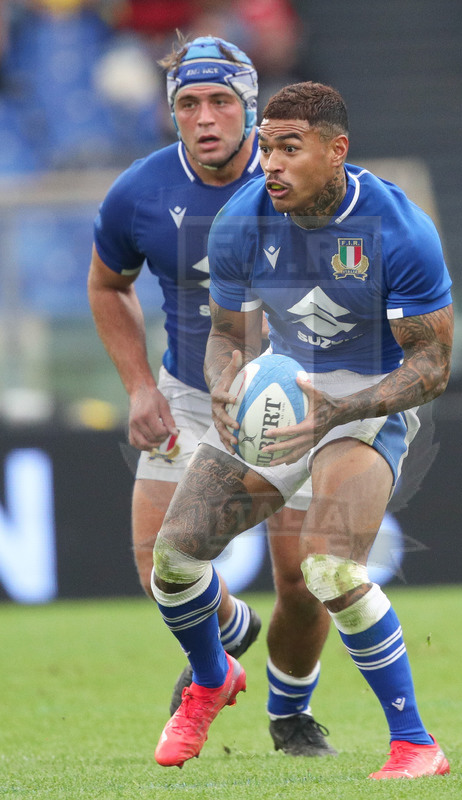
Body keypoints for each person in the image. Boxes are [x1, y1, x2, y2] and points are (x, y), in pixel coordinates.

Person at [151, 81, 454, 779]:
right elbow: (228, 335)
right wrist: (224, 380)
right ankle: (212, 679)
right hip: (282, 387)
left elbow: (432, 365)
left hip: (368, 399)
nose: (272, 164)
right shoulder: (241, 220)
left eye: (290, 148)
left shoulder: (398, 229)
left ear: (336, 150)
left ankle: (415, 745)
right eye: (266, 148)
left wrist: (343, 412)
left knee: (327, 569)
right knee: (175, 557)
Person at [87, 36, 335, 757]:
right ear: (171, 112)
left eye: (221, 101)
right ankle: (227, 638)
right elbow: (108, 284)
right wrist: (139, 386)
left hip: (296, 395)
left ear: (251, 108)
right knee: (157, 566)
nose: (205, 118)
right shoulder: (139, 191)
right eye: (189, 103)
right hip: (193, 393)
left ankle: (291, 714)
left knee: (302, 582)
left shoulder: (306, 177)